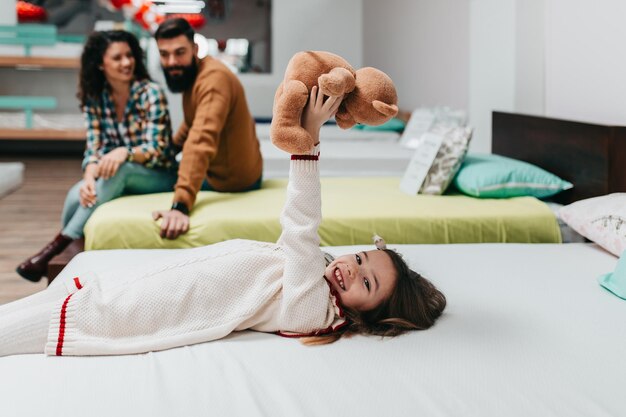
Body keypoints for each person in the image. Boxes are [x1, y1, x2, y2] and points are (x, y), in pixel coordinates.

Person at [0, 89, 446, 357]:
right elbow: (299, 253)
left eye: (366, 285)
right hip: (161, 285)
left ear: (363, 319)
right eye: (363, 258)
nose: (353, 269)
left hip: (151, 309)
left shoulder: (314, 313)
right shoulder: (322, 278)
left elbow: (300, 227)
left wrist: (308, 145)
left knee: (37, 325)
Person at [15, 30, 179, 283]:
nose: (126, 62)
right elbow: (94, 148)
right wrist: (89, 175)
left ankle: (55, 248)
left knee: (121, 169)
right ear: (101, 64)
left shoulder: (151, 93)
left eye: (129, 55)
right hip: (114, 176)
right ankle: (65, 262)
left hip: (159, 175)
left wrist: (126, 152)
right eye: (117, 58)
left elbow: (157, 148)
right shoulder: (95, 98)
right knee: (75, 195)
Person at [152, 18, 263, 240]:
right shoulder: (195, 75)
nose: (172, 62)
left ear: (195, 49)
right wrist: (170, 149)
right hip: (225, 174)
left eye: (180, 52)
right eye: (164, 54)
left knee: (143, 176)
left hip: (232, 182)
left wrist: (180, 205)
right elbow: (193, 122)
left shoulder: (213, 80)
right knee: (155, 167)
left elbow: (200, 139)